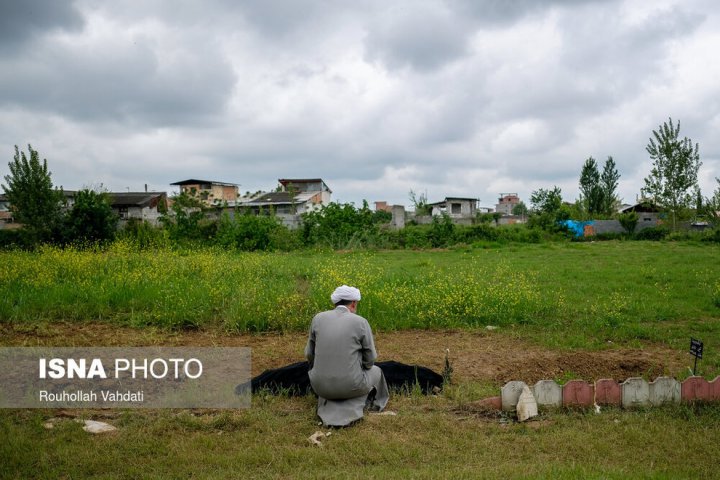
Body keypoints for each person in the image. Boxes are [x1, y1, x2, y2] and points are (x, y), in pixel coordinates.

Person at [304, 285, 389, 426]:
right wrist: (361, 366)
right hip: (351, 386)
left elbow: (309, 354)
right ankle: (377, 404)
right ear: (354, 303)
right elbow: (370, 359)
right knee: (377, 371)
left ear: (335, 302)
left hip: (319, 387)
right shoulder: (360, 322)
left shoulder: (317, 319)